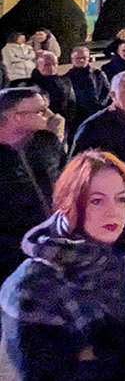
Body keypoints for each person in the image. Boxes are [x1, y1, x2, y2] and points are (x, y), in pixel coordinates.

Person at [0, 150, 125, 381]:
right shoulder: (35, 282)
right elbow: (46, 372)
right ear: (69, 204)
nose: (112, 211)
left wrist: (96, 350)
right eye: (96, 200)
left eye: (121, 198)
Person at [0, 88, 66, 280]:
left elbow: (65, 179)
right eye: (40, 111)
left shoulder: (47, 141)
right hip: (10, 253)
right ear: (16, 117)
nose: (50, 115)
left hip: (54, 242)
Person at [64, 46, 110, 134]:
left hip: (96, 113)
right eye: (78, 58)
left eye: (84, 58)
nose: (81, 60)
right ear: (72, 59)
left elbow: (107, 91)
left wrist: (101, 105)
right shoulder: (66, 78)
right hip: (76, 117)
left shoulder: (98, 74)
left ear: (88, 58)